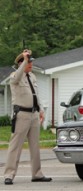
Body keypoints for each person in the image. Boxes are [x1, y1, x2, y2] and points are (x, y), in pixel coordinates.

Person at [4, 49, 52, 185]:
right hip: (22, 115)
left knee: (35, 146)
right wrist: (24, 59)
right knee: (15, 146)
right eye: (28, 62)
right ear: (21, 63)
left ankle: (37, 174)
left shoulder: (32, 76)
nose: (31, 64)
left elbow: (36, 94)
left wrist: (41, 110)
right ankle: (9, 175)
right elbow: (18, 76)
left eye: (30, 61)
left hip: (34, 114)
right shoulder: (15, 76)